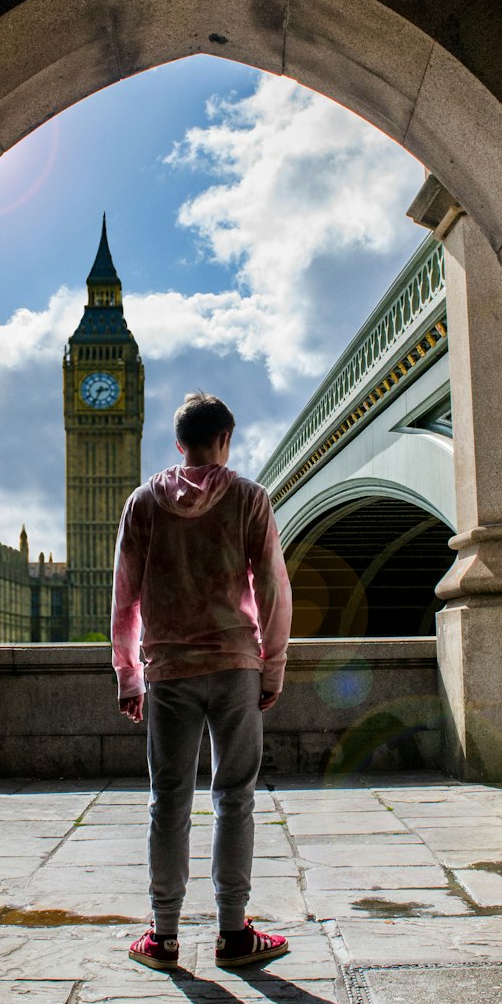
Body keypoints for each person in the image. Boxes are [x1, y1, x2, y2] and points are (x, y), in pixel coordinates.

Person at [111, 391, 294, 970]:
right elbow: (272, 591)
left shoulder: (143, 504)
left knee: (169, 800)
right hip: (237, 665)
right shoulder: (249, 500)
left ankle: (163, 936)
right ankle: (234, 933)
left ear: (179, 444)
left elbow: (124, 601)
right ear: (226, 440)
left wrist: (129, 676)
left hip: (168, 672)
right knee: (234, 798)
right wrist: (273, 664)